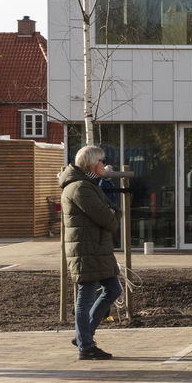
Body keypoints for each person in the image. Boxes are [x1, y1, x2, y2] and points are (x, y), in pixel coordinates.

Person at [60, 145, 122, 360]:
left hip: (96, 250)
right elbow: (109, 219)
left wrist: (112, 213)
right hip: (86, 251)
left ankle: (83, 335)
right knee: (85, 297)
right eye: (102, 160)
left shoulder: (90, 184)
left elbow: (115, 211)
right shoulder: (80, 188)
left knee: (113, 289)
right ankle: (86, 346)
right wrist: (111, 214)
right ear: (93, 164)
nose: (105, 164)